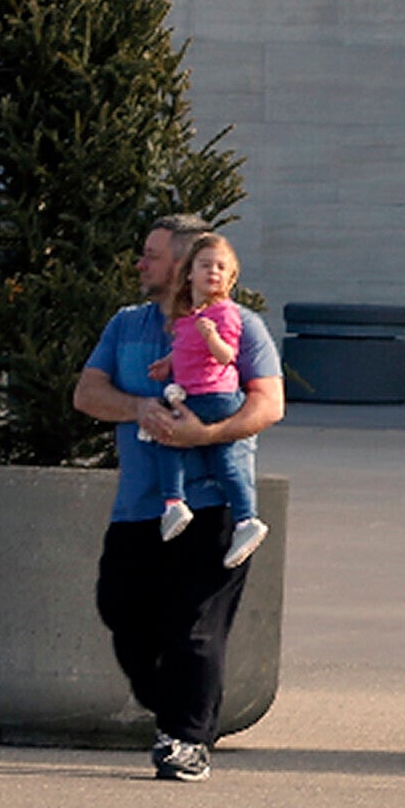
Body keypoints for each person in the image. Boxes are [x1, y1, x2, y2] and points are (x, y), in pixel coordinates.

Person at [71, 215, 284, 782]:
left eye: (152, 255)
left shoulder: (240, 326)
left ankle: (185, 741)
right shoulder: (127, 325)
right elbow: (88, 392)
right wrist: (137, 407)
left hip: (214, 507)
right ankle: (175, 712)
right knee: (120, 610)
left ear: (186, 267)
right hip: (142, 506)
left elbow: (268, 405)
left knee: (194, 627)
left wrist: (205, 435)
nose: (140, 263)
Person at [147, 232, 269, 568]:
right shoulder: (190, 317)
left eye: (220, 267)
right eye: (205, 265)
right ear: (189, 273)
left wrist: (213, 338)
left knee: (167, 438)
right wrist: (168, 363)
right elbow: (186, 348)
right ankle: (246, 520)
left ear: (230, 278)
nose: (212, 272)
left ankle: (174, 503)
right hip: (202, 393)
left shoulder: (224, 314)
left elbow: (225, 355)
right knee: (225, 462)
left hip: (214, 396)